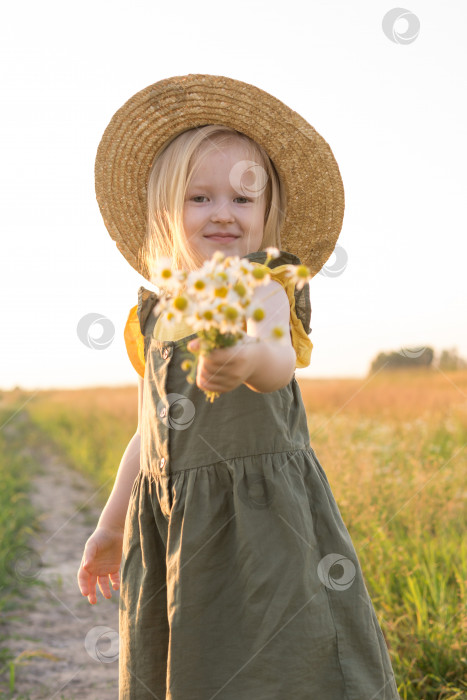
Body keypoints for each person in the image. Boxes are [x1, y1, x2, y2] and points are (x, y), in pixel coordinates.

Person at [78, 74, 400, 699]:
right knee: (195, 669)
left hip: (264, 532)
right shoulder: (157, 313)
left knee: (284, 666)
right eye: (200, 198)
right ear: (166, 215)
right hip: (176, 534)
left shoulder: (264, 288)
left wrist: (247, 359)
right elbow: (151, 434)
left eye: (243, 199)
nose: (223, 212)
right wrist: (112, 524)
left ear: (267, 214)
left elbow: (278, 359)